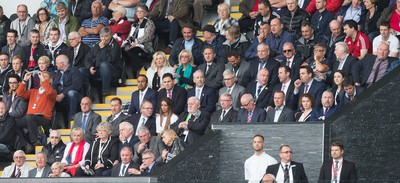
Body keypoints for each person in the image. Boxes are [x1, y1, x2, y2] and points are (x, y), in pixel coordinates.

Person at [16, 71, 57, 147]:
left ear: (50, 80)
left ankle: (35, 141)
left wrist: (43, 79)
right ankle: (26, 144)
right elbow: (19, 93)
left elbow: (50, 92)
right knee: (13, 123)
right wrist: (24, 80)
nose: (42, 78)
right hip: (30, 118)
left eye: (45, 76)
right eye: (41, 76)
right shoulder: (33, 91)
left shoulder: (53, 92)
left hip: (44, 119)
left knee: (29, 117)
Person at [82, 27, 121, 96]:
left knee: (104, 65)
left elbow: (110, 60)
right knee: (82, 70)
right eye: (102, 36)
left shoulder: (115, 45)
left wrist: (103, 48)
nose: (104, 39)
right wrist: (90, 67)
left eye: (106, 36)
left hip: (112, 70)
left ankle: (105, 90)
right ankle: (86, 94)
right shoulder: (97, 45)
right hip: (97, 70)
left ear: (110, 36)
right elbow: (87, 58)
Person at [122, 4, 155, 77]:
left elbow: (148, 36)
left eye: (141, 11)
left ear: (146, 13)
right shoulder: (134, 24)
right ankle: (125, 75)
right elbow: (129, 36)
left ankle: (140, 69)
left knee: (132, 51)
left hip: (145, 47)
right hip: (133, 45)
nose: (139, 13)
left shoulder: (149, 23)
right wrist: (127, 43)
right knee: (121, 51)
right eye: (138, 11)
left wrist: (136, 42)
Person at [53, 54, 83, 125]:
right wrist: (55, 95)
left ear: (62, 64)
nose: (55, 65)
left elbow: (76, 86)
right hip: (60, 96)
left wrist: (63, 94)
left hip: (74, 96)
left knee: (71, 93)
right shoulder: (58, 73)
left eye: (56, 63)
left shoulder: (74, 71)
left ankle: (72, 115)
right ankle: (52, 123)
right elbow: (54, 85)